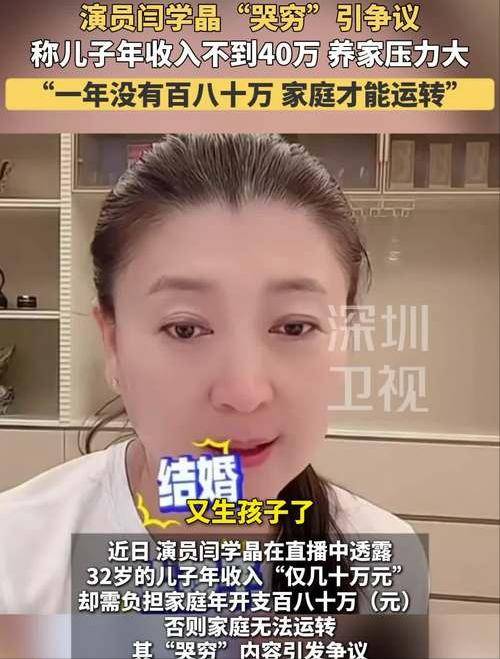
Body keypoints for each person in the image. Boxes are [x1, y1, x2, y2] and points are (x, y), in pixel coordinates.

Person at [0, 133, 420, 616]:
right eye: (185, 329)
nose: (244, 393)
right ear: (113, 342)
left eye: (294, 326)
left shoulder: (381, 561)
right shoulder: (16, 560)